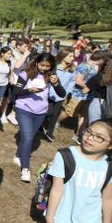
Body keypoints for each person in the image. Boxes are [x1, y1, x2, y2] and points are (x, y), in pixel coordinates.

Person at [13, 53, 66, 182]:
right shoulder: (26, 74)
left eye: (48, 66)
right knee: (28, 136)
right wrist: (29, 90)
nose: (44, 68)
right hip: (23, 108)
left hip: (40, 112)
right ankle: (25, 169)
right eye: (42, 65)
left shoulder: (51, 76)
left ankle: (18, 155)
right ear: (36, 63)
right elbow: (16, 92)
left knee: (29, 136)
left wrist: (57, 83)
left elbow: (62, 94)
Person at [42, 48, 76, 141]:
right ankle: (39, 125)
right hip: (49, 94)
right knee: (47, 112)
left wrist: (68, 92)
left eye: (73, 56)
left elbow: (72, 82)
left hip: (60, 96)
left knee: (55, 114)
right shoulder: (54, 67)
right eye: (70, 56)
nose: (72, 58)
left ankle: (50, 132)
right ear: (63, 56)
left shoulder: (72, 70)